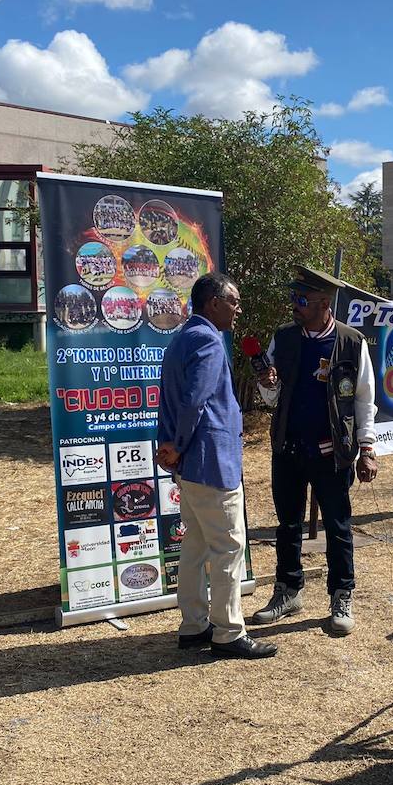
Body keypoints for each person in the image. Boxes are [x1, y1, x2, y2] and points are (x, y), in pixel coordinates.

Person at [252, 265, 378, 636]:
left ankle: (341, 595)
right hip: (288, 448)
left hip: (331, 451)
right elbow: (273, 396)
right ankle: (288, 591)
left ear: (324, 303)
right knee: (287, 524)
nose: (294, 305)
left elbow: (365, 398)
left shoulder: (351, 342)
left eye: (301, 300)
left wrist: (367, 448)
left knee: (338, 526)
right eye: (293, 298)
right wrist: (266, 383)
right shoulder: (284, 337)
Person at [157, 272, 276, 660]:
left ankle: (194, 626)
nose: (238, 309)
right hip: (210, 461)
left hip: (191, 464)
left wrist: (170, 444)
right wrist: (177, 444)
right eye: (234, 302)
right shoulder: (207, 340)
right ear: (213, 303)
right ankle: (227, 632)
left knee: (194, 547)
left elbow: (170, 398)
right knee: (228, 547)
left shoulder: (181, 337)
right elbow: (193, 402)